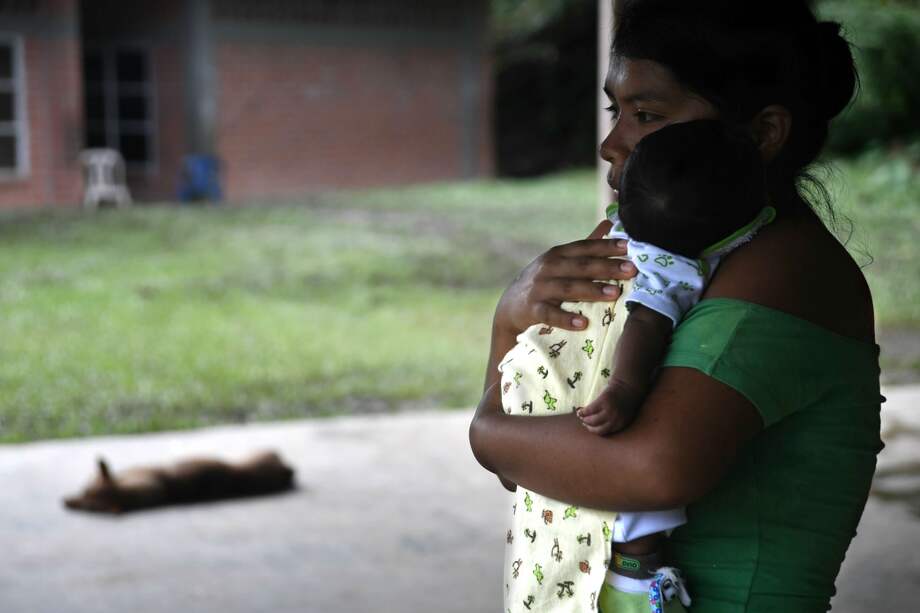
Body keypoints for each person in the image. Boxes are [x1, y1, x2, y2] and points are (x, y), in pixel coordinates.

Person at [470, 1, 883, 611]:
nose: (611, 144)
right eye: (615, 111)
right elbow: (534, 465)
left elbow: (652, 470)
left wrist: (484, 431)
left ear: (762, 133)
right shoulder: (657, 251)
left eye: (646, 115)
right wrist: (510, 320)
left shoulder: (787, 268)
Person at [498, 120, 775, 613]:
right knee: (634, 517)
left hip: (533, 387)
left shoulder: (620, 231)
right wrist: (625, 390)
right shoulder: (676, 265)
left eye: (644, 114)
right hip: (592, 404)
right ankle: (637, 575)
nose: (610, 143)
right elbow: (646, 322)